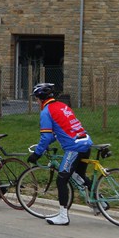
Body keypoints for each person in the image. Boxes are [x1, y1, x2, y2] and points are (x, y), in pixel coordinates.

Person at [27, 82, 93, 226]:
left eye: (36, 98)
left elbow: (46, 137)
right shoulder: (63, 106)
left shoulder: (46, 112)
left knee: (62, 179)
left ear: (41, 98)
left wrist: (37, 154)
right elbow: (60, 131)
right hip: (85, 142)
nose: (36, 101)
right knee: (79, 175)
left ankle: (63, 216)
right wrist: (45, 145)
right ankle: (100, 201)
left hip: (74, 148)